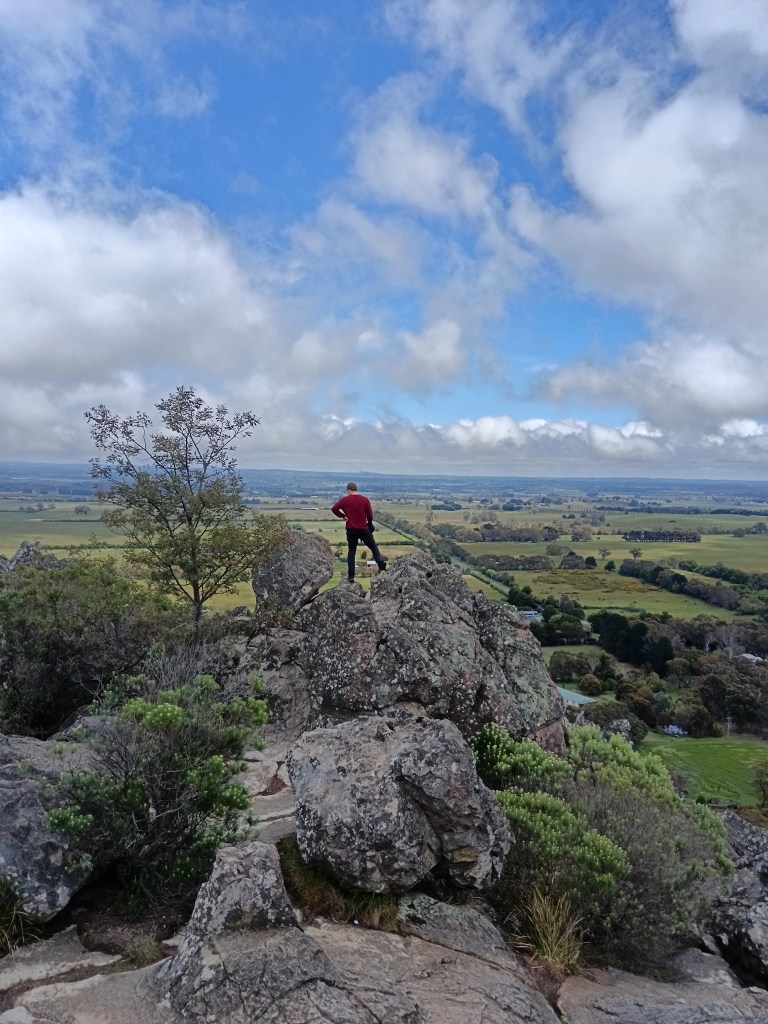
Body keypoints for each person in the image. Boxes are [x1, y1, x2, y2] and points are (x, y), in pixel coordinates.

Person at [331, 482, 387, 583]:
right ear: (356, 489)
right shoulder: (365, 500)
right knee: (373, 547)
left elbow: (334, 509)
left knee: (352, 552)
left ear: (348, 490)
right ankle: (381, 565)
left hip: (351, 530)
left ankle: (351, 575)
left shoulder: (345, 500)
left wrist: (343, 516)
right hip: (363, 529)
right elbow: (369, 515)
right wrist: (369, 524)